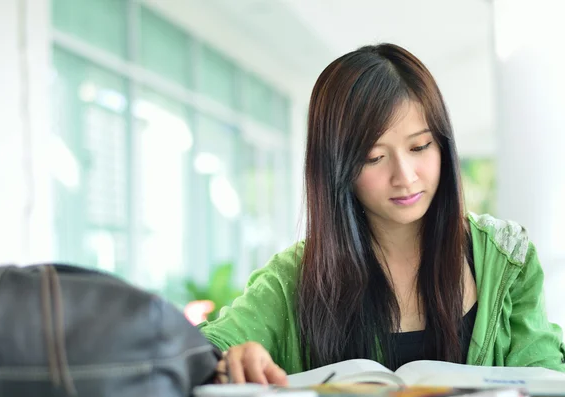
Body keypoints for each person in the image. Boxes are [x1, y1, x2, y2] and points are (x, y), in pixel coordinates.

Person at [198, 43, 565, 385]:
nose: (405, 177)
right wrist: (229, 359)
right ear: (337, 168)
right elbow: (196, 351)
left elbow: (545, 374)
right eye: (374, 157)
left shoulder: (505, 258)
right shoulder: (293, 278)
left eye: (420, 146)